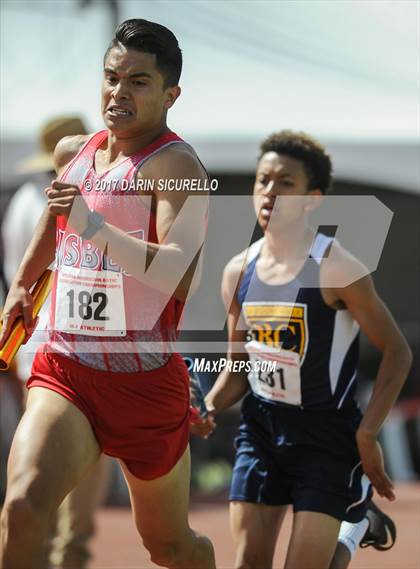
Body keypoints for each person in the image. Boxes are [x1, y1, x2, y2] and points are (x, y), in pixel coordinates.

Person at [0, 18, 215, 569]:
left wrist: (91, 223)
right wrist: (23, 284)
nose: (118, 92)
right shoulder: (76, 150)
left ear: (171, 94)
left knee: (169, 548)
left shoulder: (178, 167)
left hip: (144, 383)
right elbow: (55, 223)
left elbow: (174, 271)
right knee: (23, 508)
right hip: (66, 368)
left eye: (138, 81)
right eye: (111, 77)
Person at [203, 130, 412, 569]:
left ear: (312, 198)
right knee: (248, 563)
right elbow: (237, 370)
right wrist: (203, 407)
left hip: (326, 436)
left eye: (286, 183)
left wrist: (368, 432)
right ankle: (356, 521)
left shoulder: (338, 268)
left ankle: (353, 529)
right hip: (261, 430)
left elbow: (397, 350)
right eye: (263, 181)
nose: (270, 192)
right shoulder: (237, 272)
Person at [1, 115, 111, 569]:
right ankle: (67, 553)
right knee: (86, 453)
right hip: (72, 341)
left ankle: (47, 551)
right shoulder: (77, 195)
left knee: (38, 460)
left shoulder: (24, 198)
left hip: (33, 343)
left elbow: (14, 276)